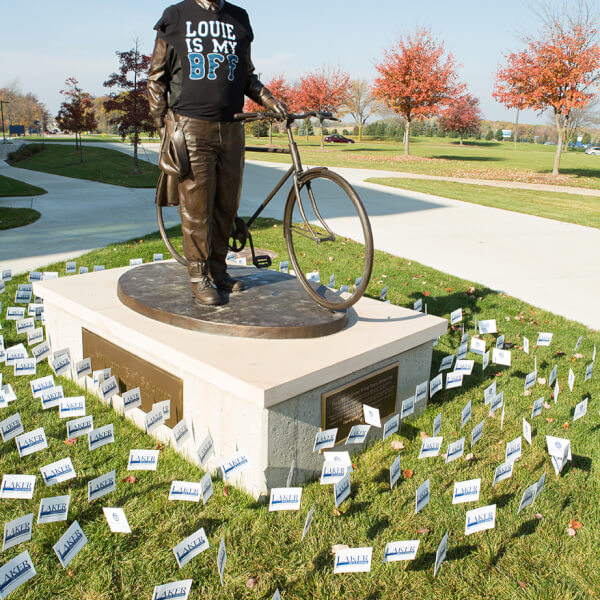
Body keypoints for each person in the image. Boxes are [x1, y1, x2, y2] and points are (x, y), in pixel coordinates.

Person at [148, 0, 287, 305]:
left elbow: (246, 75)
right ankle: (199, 277)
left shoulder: (239, 18)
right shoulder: (177, 15)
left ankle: (218, 269)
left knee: (227, 204)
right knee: (197, 208)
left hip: (233, 127)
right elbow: (156, 77)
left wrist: (268, 99)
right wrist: (162, 125)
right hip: (192, 127)